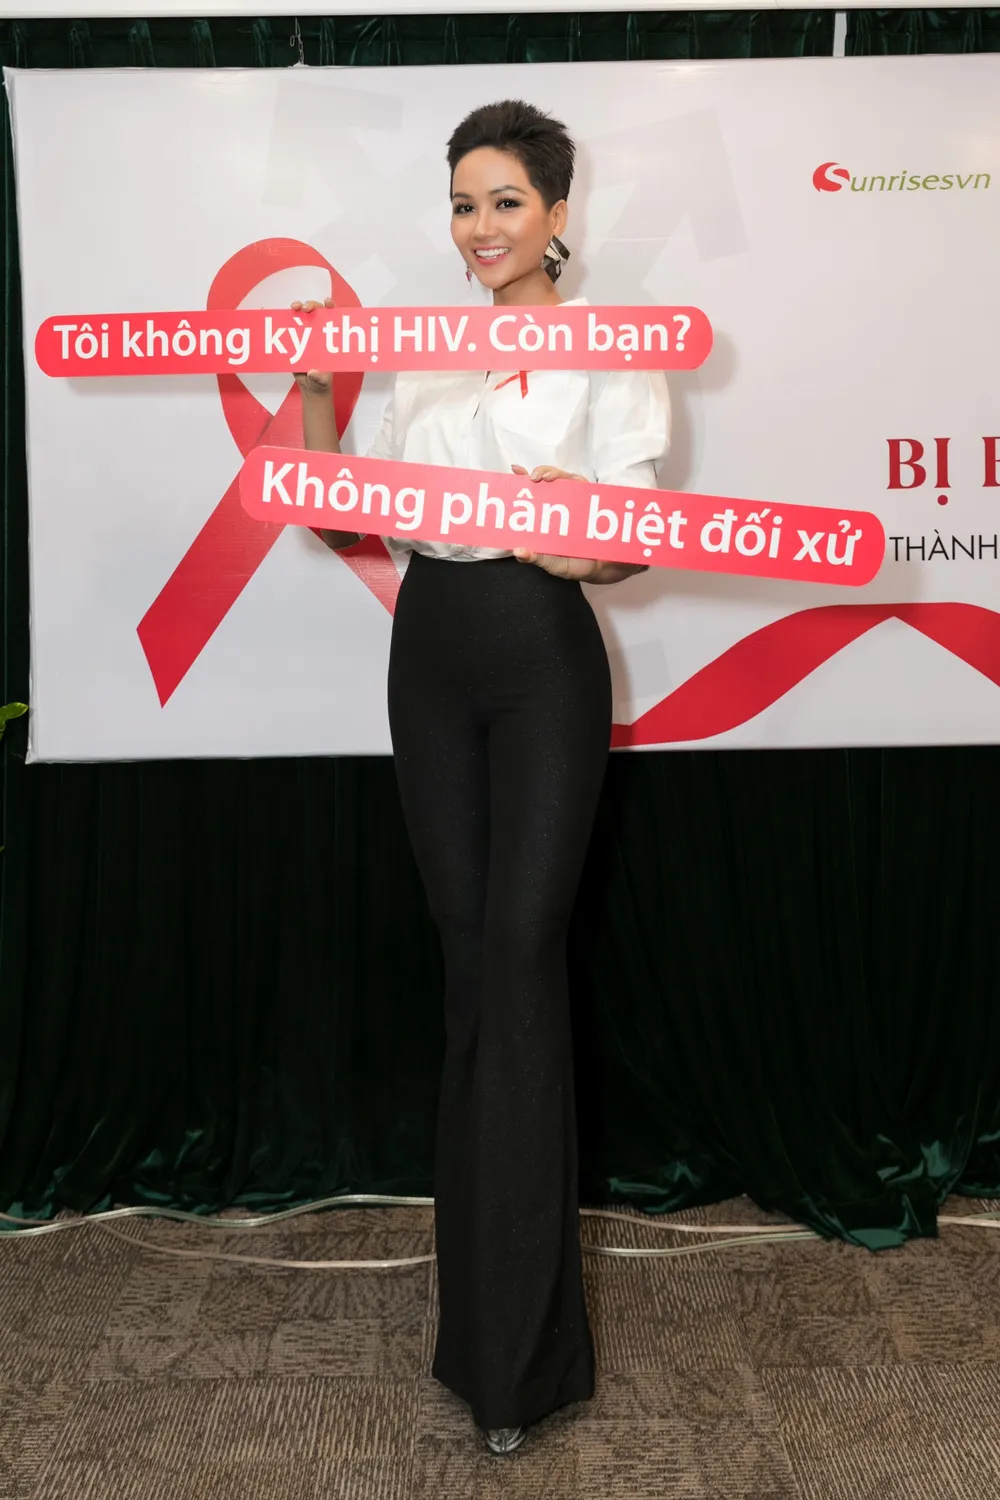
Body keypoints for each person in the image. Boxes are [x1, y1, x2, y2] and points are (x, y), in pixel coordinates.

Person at [292, 99, 671, 1457]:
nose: (480, 227)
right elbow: (337, 510)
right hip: (432, 651)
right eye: (463, 203)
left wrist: (583, 535)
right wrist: (318, 394)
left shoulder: (615, 346)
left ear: (558, 213)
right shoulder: (422, 350)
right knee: (469, 966)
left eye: (506, 200)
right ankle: (479, 1344)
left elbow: (629, 539)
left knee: (519, 958)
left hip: (540, 654)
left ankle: (525, 1364)